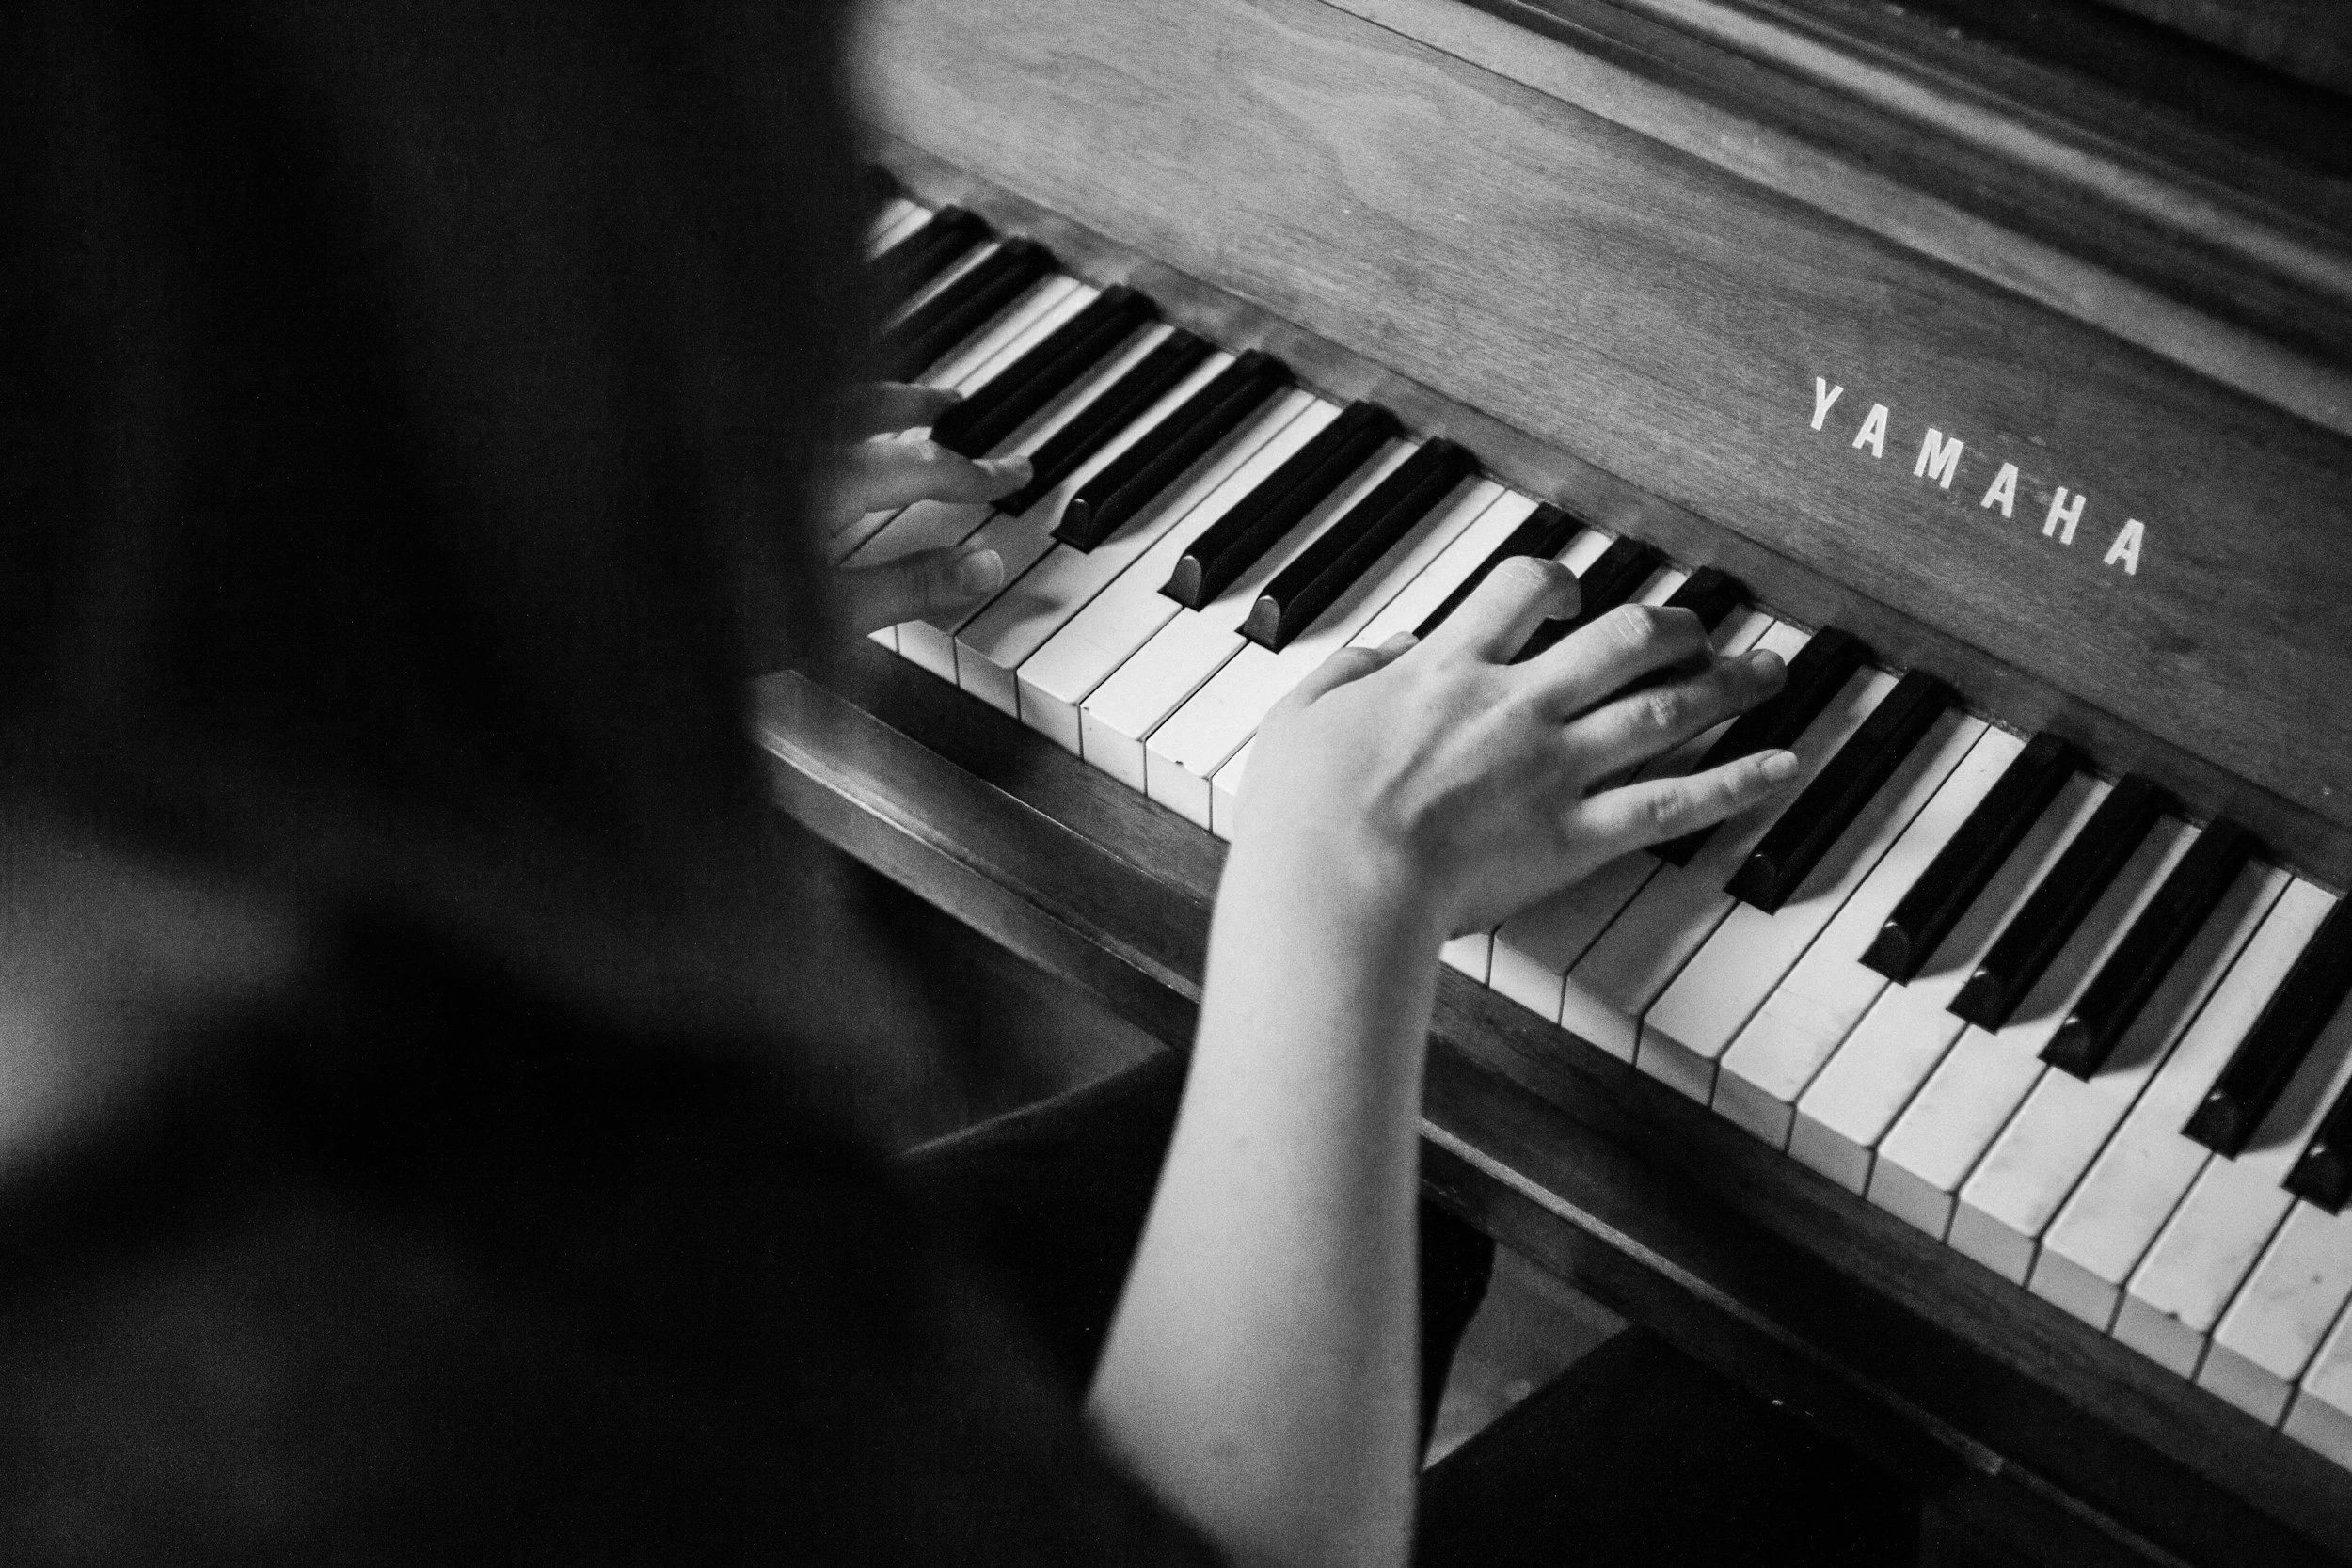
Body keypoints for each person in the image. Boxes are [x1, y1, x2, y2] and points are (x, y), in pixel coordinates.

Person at [0, 3, 1912, 1563]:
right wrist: (1337, 901)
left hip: (713, 1327)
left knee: (1435, 1177)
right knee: (1794, 1417)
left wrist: (587, 611)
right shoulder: (305, 1420)